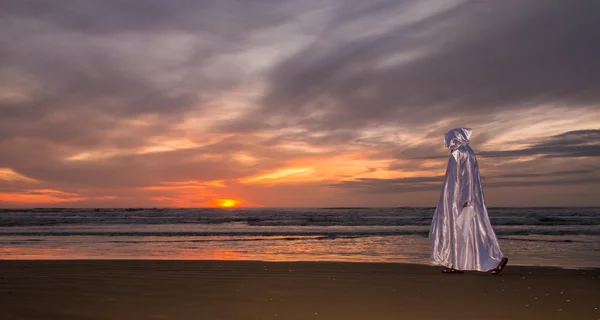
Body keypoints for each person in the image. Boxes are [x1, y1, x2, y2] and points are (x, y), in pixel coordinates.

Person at [429, 128, 508, 274]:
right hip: (459, 198)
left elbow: (467, 178)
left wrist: (466, 199)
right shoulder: (465, 151)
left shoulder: (460, 152)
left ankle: (496, 258)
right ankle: (456, 263)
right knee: (462, 230)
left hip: (459, 199)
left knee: (472, 229)